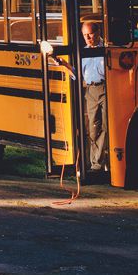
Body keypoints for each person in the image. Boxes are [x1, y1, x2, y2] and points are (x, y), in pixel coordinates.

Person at [47, 23, 108, 172]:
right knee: (93, 128)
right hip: (91, 90)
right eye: (85, 35)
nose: (88, 38)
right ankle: (97, 162)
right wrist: (65, 64)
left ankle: (98, 164)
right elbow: (78, 74)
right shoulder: (84, 53)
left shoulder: (106, 49)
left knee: (106, 127)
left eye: (90, 34)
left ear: (98, 32)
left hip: (106, 88)